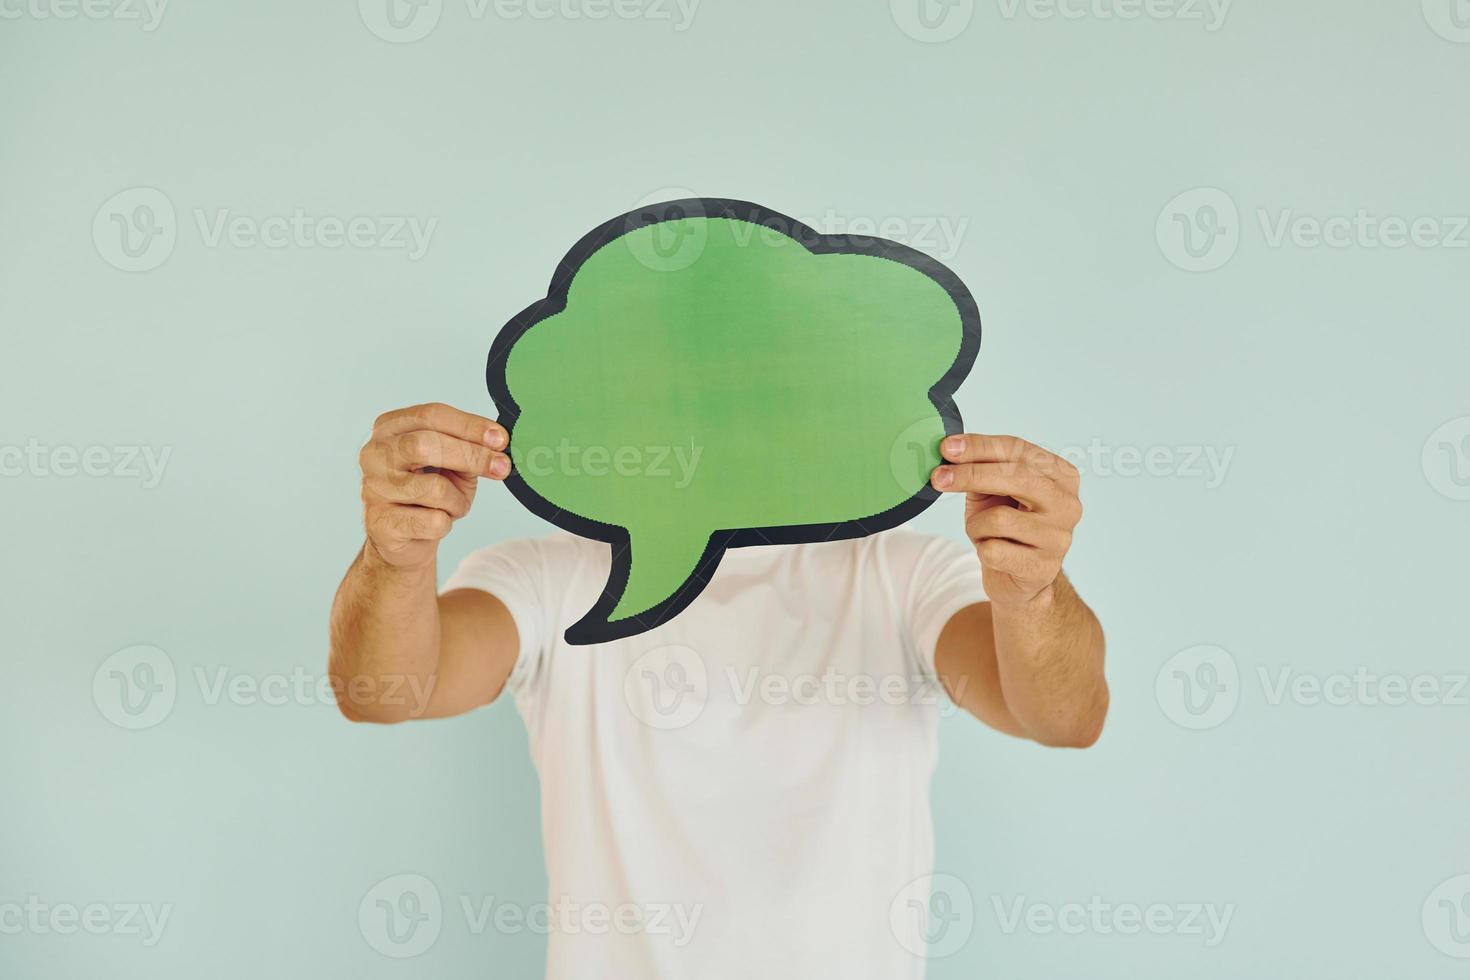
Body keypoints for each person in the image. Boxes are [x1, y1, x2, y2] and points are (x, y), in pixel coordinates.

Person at [330, 401, 1107, 979]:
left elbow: (1065, 717)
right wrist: (393, 557)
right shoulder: (549, 572)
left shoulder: (901, 573)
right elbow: (384, 692)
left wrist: (1032, 593)